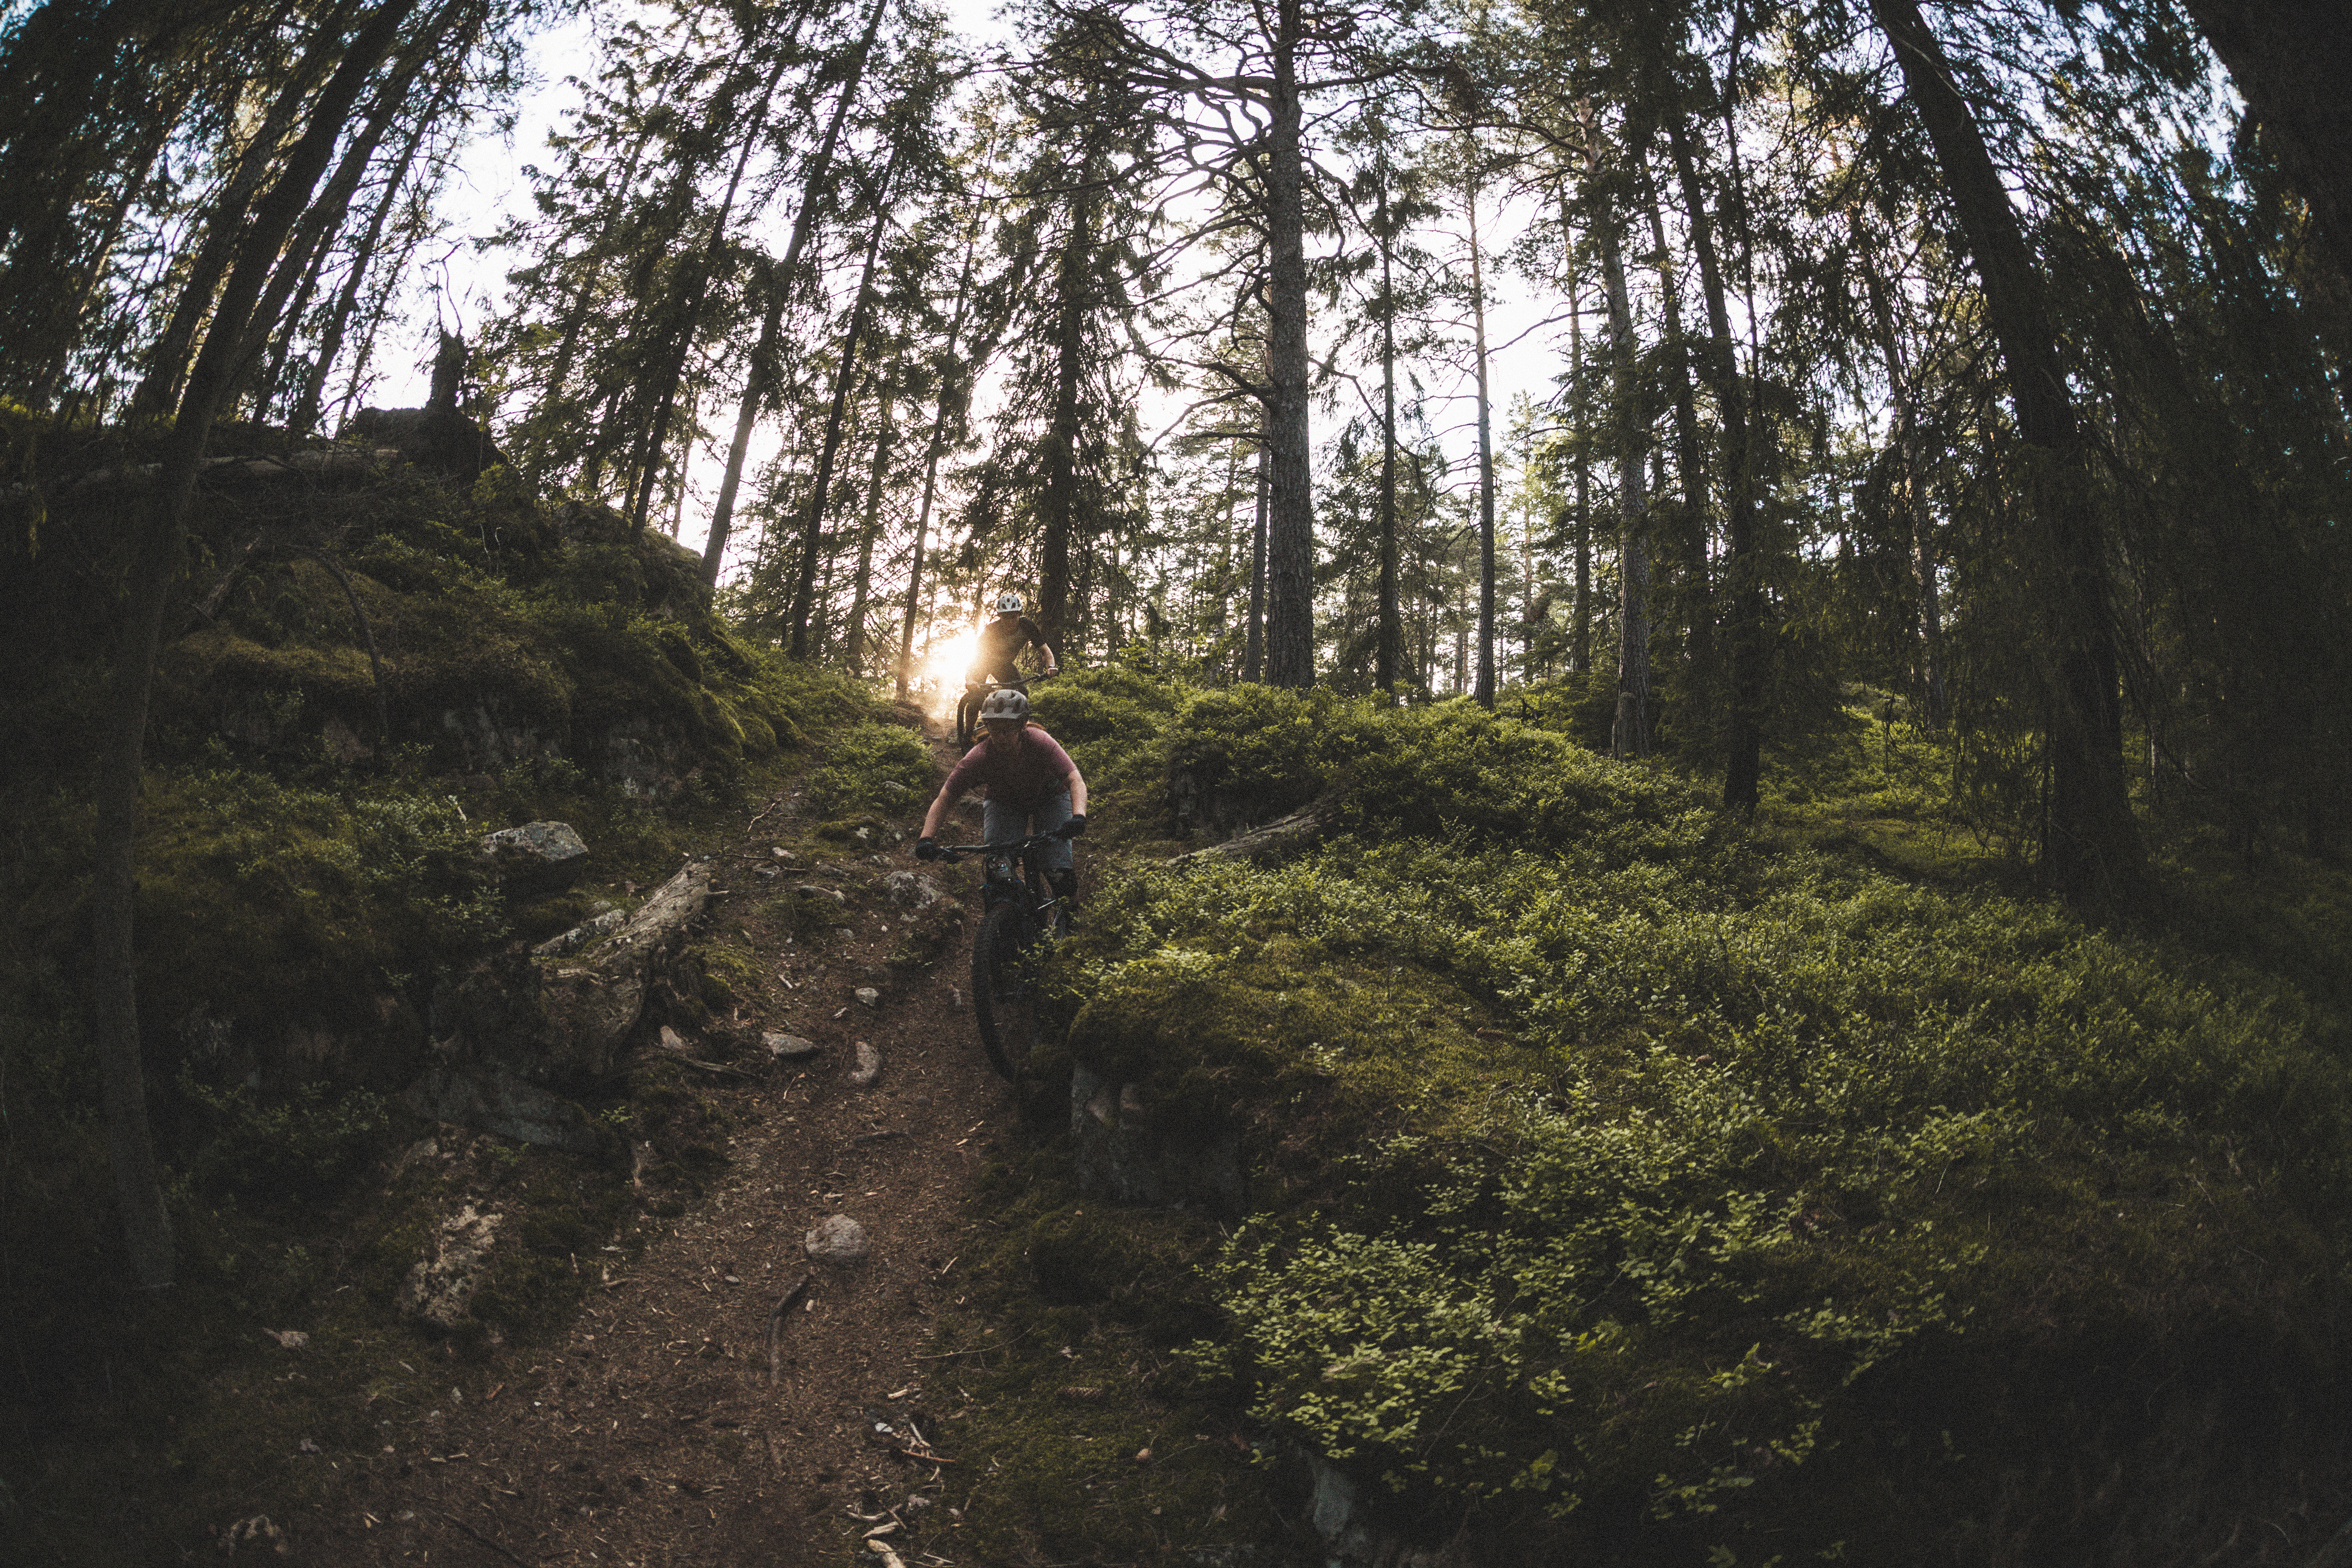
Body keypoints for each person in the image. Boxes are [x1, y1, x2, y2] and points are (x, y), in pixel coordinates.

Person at [916, 687, 1087, 913]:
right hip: (1005, 803)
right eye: (995, 729)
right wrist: (926, 838)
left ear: (1022, 726)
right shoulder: (979, 756)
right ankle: (1001, 923)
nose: (1001, 737)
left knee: (1058, 871)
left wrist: (1078, 816)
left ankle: (1072, 917)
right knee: (997, 868)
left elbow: (1075, 780)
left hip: (1051, 798)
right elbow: (945, 799)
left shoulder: (1040, 741)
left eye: (1008, 730)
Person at [971, 592, 1060, 687]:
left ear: (1019, 615)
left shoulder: (1027, 626)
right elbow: (976, 656)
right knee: (976, 691)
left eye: (1013, 617)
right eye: (1006, 617)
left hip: (1005, 667)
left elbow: (1045, 650)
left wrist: (1051, 667)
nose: (1010, 622)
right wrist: (970, 679)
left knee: (1021, 691)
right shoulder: (991, 630)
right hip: (984, 664)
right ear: (1000, 616)